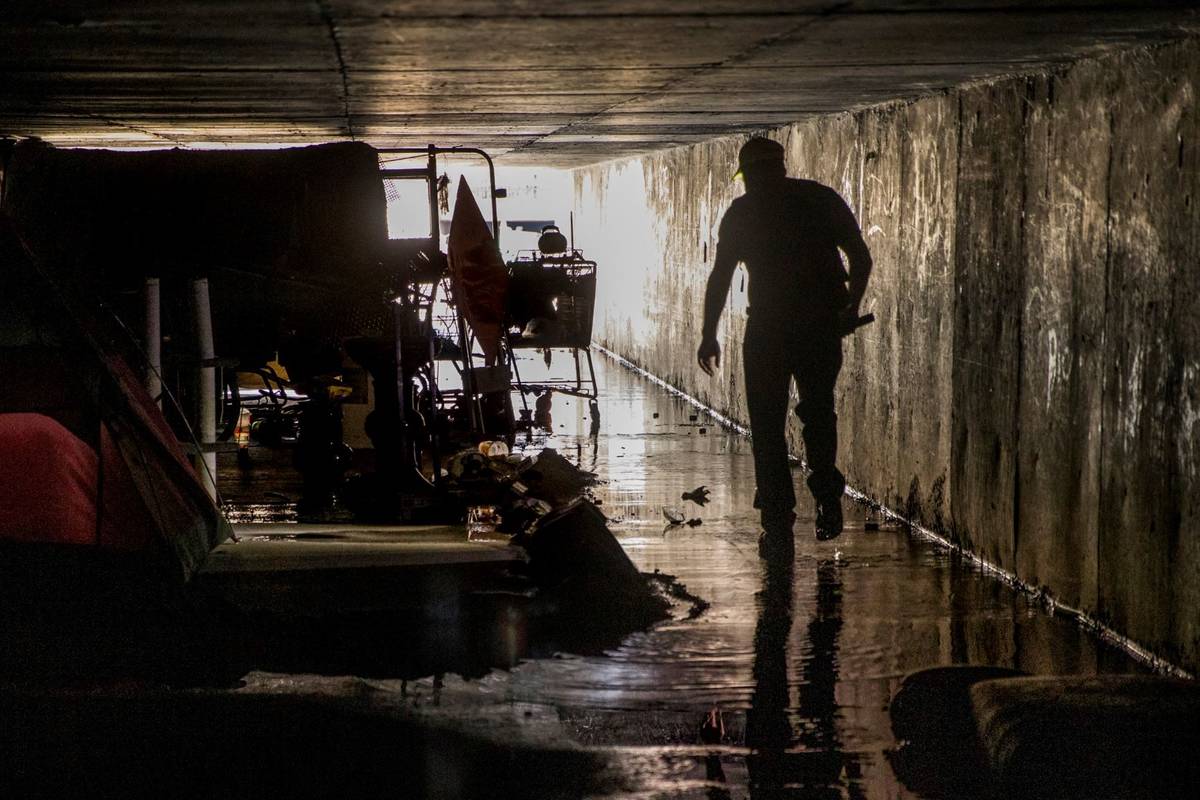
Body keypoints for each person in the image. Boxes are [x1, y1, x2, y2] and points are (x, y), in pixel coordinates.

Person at [697, 137, 872, 558]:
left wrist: (709, 332)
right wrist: (851, 307)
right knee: (817, 412)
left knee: (767, 427)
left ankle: (777, 524)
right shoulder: (820, 199)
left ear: (749, 175)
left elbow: (721, 277)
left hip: (768, 331)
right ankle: (827, 498)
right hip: (820, 327)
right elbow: (861, 259)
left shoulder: (742, 213)